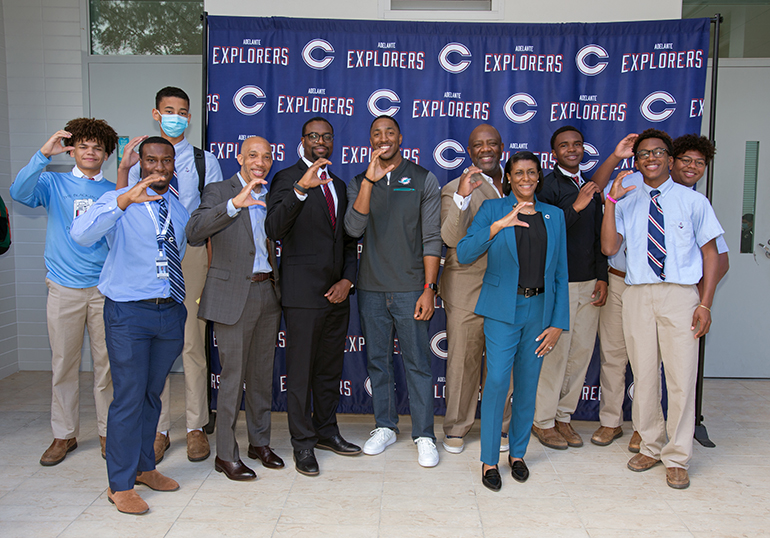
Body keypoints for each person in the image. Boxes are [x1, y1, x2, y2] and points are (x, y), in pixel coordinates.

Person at [590, 133, 729, 451]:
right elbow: (610, 246)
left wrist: (704, 303)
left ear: (670, 159)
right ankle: (649, 445)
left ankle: (678, 455)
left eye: (658, 153)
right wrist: (612, 200)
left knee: (681, 377)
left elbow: (713, 255)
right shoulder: (627, 195)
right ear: (636, 162)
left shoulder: (694, 202)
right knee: (645, 374)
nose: (651, 158)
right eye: (643, 154)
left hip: (679, 294)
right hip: (635, 291)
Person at [71, 137, 187, 515]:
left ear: (173, 163)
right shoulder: (116, 200)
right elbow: (81, 234)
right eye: (151, 160)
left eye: (165, 160)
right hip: (128, 314)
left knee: (153, 394)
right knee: (128, 399)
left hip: (169, 311)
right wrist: (123, 201)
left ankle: (144, 468)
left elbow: (177, 251)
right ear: (139, 162)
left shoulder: (177, 205)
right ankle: (119, 484)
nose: (158, 167)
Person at [117, 86, 223, 464]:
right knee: (154, 344)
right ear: (156, 113)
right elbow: (121, 204)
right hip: (149, 253)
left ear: (190, 117)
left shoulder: (203, 160)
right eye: (168, 110)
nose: (175, 115)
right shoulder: (139, 158)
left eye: (182, 111)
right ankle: (159, 429)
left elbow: (211, 214)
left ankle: (196, 426)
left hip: (190, 254)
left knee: (192, 342)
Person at [457, 151, 569, 491]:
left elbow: (560, 274)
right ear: (509, 176)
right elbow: (464, 253)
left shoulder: (554, 215)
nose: (525, 178)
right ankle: (490, 460)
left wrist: (558, 322)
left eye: (531, 172)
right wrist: (497, 226)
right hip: (503, 310)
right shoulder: (493, 208)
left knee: (527, 385)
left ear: (539, 177)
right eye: (518, 172)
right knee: (496, 385)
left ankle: (517, 454)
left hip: (539, 312)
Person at [10, 118, 118, 466]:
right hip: (63, 289)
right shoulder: (52, 183)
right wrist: (43, 153)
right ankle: (64, 435)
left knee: (106, 368)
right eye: (83, 145)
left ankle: (107, 432)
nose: (90, 152)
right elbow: (18, 193)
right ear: (72, 149)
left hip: (104, 290)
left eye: (97, 147)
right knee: (64, 366)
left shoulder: (114, 191)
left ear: (106, 154)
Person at [344, 115, 441, 468]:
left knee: (417, 364)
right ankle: (385, 426)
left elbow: (432, 238)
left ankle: (425, 434)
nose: (383, 139)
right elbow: (353, 228)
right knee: (378, 363)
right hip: (371, 289)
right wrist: (370, 180)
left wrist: (429, 288)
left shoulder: (422, 179)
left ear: (401, 137)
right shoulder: (358, 181)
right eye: (376, 134)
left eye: (389, 133)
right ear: (369, 140)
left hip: (411, 288)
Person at [265, 117, 360, 477]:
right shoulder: (287, 179)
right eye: (313, 136)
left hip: (337, 293)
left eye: (327, 136)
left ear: (333, 142)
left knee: (328, 370)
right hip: (303, 295)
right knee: (301, 373)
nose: (321, 141)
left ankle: (325, 431)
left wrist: (348, 280)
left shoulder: (338, 183)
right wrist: (301, 190)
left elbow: (349, 239)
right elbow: (273, 227)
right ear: (302, 141)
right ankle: (302, 443)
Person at [186, 136, 283, 481]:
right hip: (231, 295)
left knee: (260, 377)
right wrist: (233, 205)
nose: (260, 161)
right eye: (253, 155)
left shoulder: (271, 193)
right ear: (239, 157)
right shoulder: (218, 190)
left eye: (267, 156)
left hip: (266, 292)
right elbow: (194, 231)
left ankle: (259, 442)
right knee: (231, 379)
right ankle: (226, 455)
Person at [439, 124, 513, 454]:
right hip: (467, 285)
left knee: (502, 361)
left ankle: (499, 426)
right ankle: (456, 427)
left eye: (492, 144)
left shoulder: (519, 184)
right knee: (463, 361)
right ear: (469, 152)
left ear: (501, 148)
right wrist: (464, 197)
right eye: (478, 145)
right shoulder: (455, 187)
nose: (486, 149)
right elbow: (451, 239)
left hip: (507, 286)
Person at [532, 126, 607, 450]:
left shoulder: (589, 185)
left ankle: (564, 416)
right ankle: (543, 421)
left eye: (577, 144)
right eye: (565, 145)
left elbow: (599, 234)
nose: (572, 149)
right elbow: (543, 232)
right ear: (554, 153)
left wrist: (602, 275)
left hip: (590, 283)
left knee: (579, 356)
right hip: (560, 285)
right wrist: (575, 206)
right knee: (555, 356)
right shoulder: (547, 186)